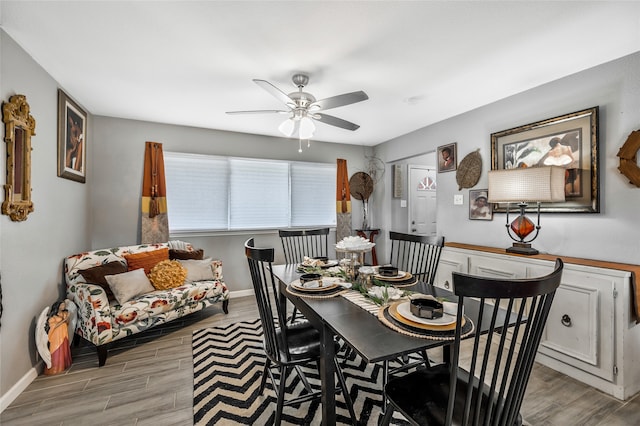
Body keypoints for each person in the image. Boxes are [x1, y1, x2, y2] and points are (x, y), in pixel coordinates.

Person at [44, 301, 73, 375]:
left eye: (64, 305)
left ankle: (64, 363)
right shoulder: (53, 317)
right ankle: (56, 366)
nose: (63, 306)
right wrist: (64, 319)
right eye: (62, 305)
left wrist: (67, 318)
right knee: (56, 349)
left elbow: (67, 323)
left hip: (63, 334)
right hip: (56, 335)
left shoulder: (64, 313)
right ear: (58, 306)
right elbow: (54, 326)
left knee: (64, 348)